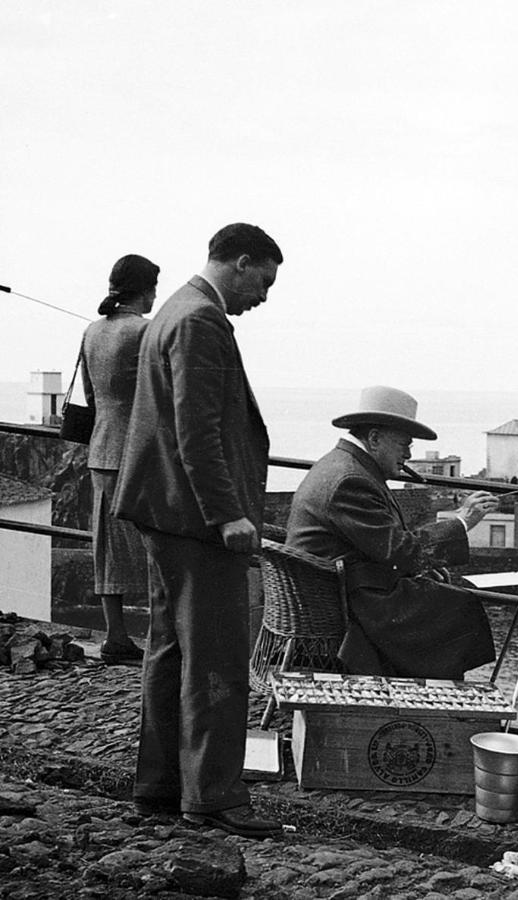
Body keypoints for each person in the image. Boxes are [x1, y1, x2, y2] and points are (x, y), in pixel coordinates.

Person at [113, 223, 282, 839]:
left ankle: (158, 785)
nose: (263, 297)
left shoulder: (174, 311)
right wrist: (228, 513)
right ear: (240, 263)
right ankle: (212, 795)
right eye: (263, 281)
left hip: (163, 514)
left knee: (168, 651)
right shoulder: (201, 321)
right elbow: (197, 430)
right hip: (195, 521)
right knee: (216, 657)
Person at [285, 386, 498, 679]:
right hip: (343, 604)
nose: (409, 455)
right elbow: (400, 551)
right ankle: (433, 705)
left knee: (450, 598)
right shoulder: (350, 479)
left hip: (336, 588)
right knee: (459, 604)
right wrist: (462, 521)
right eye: (404, 445)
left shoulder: (345, 466)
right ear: (374, 438)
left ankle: (429, 697)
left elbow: (385, 544)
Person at [79, 254, 159, 665]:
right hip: (139, 454)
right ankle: (164, 637)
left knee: (108, 546)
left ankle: (116, 635)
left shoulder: (93, 331)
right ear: (143, 290)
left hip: (101, 449)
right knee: (158, 544)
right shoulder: (144, 332)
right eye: (153, 288)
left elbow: (93, 398)